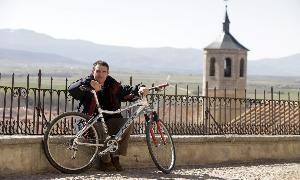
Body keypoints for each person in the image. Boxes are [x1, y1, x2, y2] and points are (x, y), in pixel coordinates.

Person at [68, 60, 149, 171]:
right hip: (90, 122)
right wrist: (88, 83)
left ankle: (115, 156)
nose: (100, 74)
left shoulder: (112, 84)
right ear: (93, 71)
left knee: (128, 123)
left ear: (107, 73)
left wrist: (140, 88)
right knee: (101, 127)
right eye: (98, 71)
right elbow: (72, 89)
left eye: (104, 71)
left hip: (110, 120)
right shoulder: (87, 82)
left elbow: (125, 90)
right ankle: (105, 160)